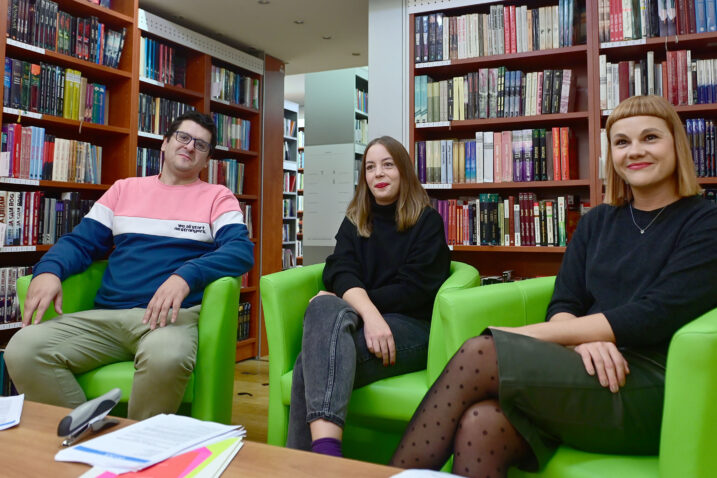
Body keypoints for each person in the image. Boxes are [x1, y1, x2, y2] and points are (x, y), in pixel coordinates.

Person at [390, 95, 717, 477]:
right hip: (585, 366)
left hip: (652, 386)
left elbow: (654, 314)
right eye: (622, 142)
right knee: (482, 422)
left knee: (482, 351)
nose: (635, 152)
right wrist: (579, 339)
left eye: (650, 138)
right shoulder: (597, 221)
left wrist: (535, 335)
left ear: (676, 144)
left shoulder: (705, 222)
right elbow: (566, 298)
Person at [4, 111, 254, 420]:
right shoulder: (124, 190)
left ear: (206, 160)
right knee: (22, 349)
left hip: (170, 319)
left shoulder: (217, 197)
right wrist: (49, 269)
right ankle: (86, 431)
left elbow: (240, 251)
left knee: (167, 357)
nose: (190, 147)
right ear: (164, 144)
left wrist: (186, 275)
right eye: (183, 137)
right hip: (108, 316)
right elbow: (81, 242)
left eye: (200, 145)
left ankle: (135, 449)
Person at [287, 135, 451, 457]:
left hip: (411, 327)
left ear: (403, 170)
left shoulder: (427, 221)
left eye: (388, 165)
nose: (379, 174)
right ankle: (324, 457)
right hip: (368, 322)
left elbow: (413, 291)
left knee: (311, 361)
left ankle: (306, 463)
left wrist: (352, 301)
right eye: (371, 167)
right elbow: (338, 269)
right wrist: (368, 313)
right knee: (324, 306)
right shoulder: (356, 219)